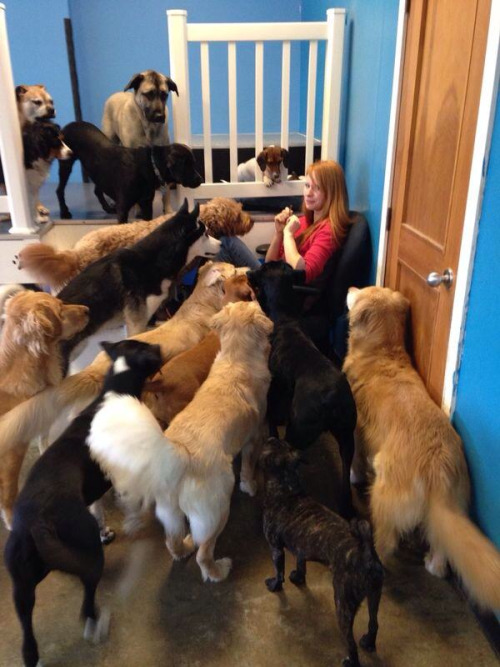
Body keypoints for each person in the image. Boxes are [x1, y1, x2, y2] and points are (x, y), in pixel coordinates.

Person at [265, 160, 352, 285]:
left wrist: (288, 234)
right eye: (307, 186)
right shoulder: (304, 222)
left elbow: (302, 272)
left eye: (317, 188)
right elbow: (269, 263)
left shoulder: (328, 231)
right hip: (274, 283)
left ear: (332, 193)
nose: (308, 193)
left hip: (288, 296)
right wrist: (279, 233)